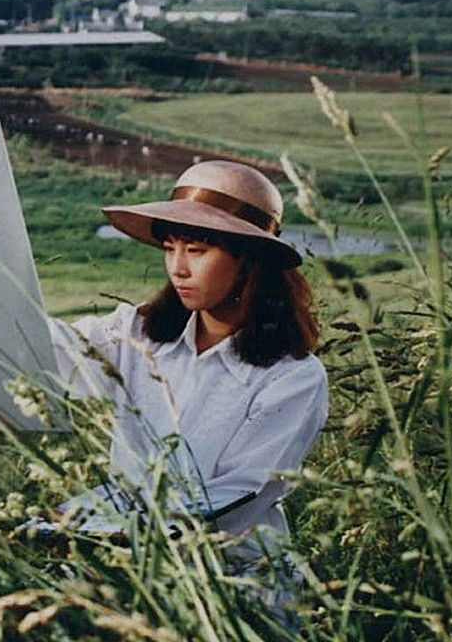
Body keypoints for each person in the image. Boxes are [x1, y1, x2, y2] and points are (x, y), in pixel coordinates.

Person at [45, 160, 327, 565]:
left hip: (232, 582)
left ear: (249, 260)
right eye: (170, 248)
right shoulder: (137, 333)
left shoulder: (293, 378)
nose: (178, 268)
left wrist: (82, 520)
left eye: (197, 250)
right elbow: (47, 349)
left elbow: (236, 497)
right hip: (120, 562)